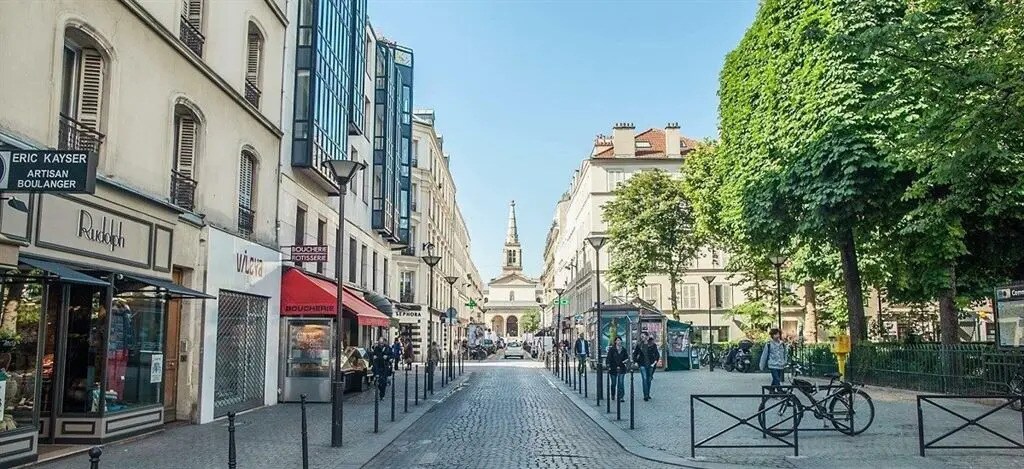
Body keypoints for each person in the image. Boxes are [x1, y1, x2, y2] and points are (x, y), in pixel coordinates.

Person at [633, 332, 660, 401]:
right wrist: (636, 361)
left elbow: (657, 354)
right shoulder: (639, 345)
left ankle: (648, 393)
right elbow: (635, 354)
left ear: (647, 337)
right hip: (642, 364)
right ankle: (645, 395)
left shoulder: (652, 345)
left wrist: (655, 361)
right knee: (644, 379)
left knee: (649, 379)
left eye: (643, 336)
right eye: (641, 336)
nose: (642, 338)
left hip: (651, 364)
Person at [605, 336, 627, 402]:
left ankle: (621, 396)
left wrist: (625, 361)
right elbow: (608, 358)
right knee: (613, 383)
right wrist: (608, 365)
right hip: (613, 368)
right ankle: (613, 394)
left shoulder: (623, 349)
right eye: (617, 340)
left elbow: (626, 357)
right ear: (615, 342)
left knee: (621, 383)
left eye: (619, 340)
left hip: (622, 368)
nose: (618, 342)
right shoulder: (612, 349)